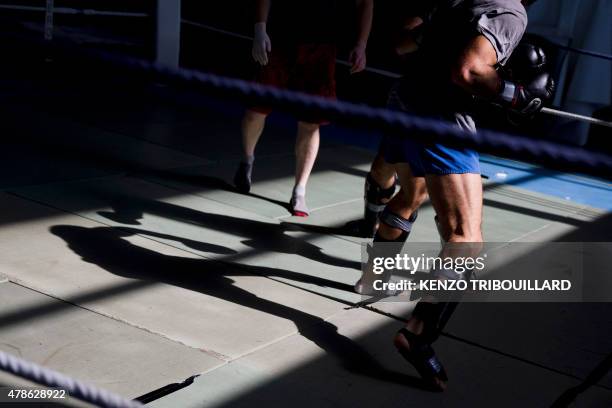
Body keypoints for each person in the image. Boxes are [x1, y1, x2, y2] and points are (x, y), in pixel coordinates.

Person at [356, 0, 554, 391]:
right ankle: (417, 335)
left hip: (406, 99)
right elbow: (469, 70)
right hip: (441, 115)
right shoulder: (510, 11)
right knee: (466, 239)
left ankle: (372, 280)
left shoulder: (462, 1)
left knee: (408, 200)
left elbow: (402, 45)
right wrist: (515, 93)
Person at [234, 0, 374, 217]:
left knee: (311, 121)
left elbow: (366, 2)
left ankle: (300, 190)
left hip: (321, 48)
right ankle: (247, 159)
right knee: (256, 110)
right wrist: (260, 29)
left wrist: (361, 44)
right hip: (280, 38)